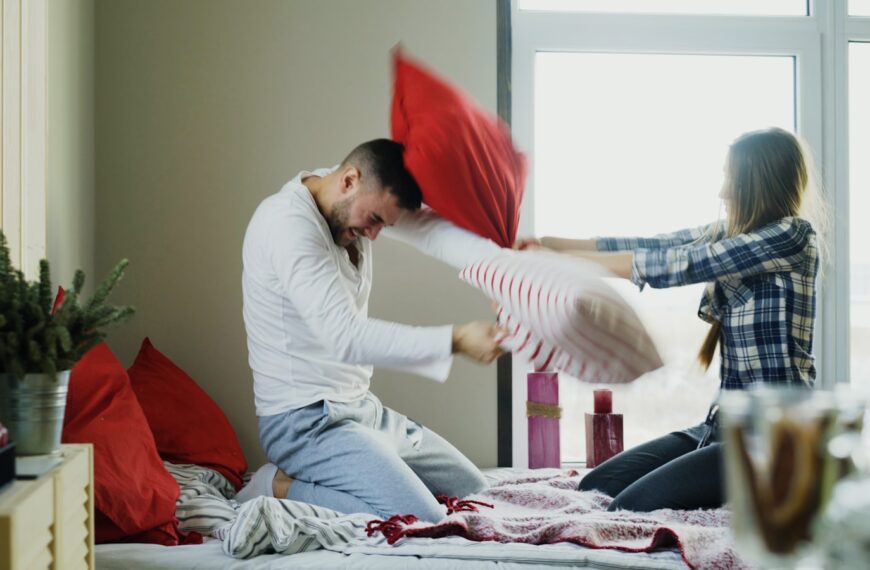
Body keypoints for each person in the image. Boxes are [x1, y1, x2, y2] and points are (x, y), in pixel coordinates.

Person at [518, 127, 826, 512]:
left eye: (731, 180)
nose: (723, 192)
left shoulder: (793, 237)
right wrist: (548, 244)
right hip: (719, 428)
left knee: (627, 507)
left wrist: (561, 264)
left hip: (772, 441)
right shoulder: (729, 233)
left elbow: (680, 264)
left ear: (758, 184)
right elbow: (655, 245)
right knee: (596, 487)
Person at [237, 139, 505, 522]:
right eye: (376, 220)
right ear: (349, 180)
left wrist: (500, 269)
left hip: (362, 409)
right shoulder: (287, 225)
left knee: (476, 492)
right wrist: (457, 339)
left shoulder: (354, 195)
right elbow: (345, 337)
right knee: (422, 519)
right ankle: (279, 485)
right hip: (304, 422)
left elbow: (433, 231)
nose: (376, 234)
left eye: (385, 225)